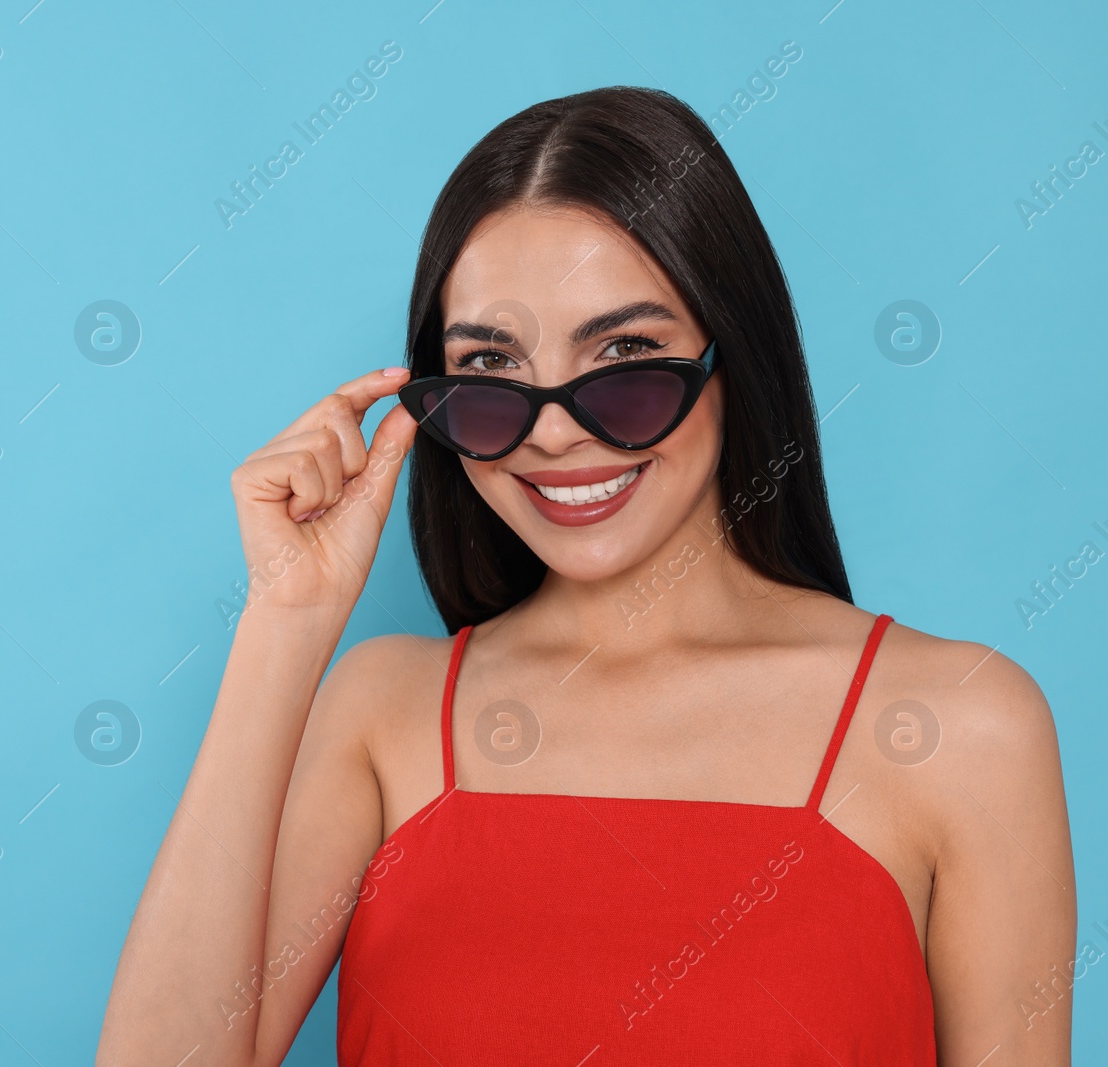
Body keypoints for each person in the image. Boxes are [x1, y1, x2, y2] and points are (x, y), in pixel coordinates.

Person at [96, 86, 1074, 1066]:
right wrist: (284, 618)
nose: (555, 431)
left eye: (626, 353)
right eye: (490, 368)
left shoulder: (960, 724)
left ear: (733, 355)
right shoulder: (382, 713)